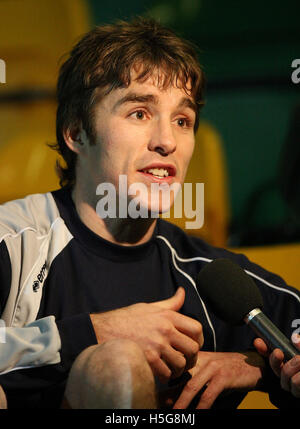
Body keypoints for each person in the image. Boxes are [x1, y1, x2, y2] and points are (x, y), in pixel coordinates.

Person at [0, 17, 299, 409]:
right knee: (117, 364)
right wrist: (96, 332)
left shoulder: (212, 276)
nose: (166, 142)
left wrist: (257, 367)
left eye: (182, 120)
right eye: (139, 113)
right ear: (76, 131)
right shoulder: (15, 240)